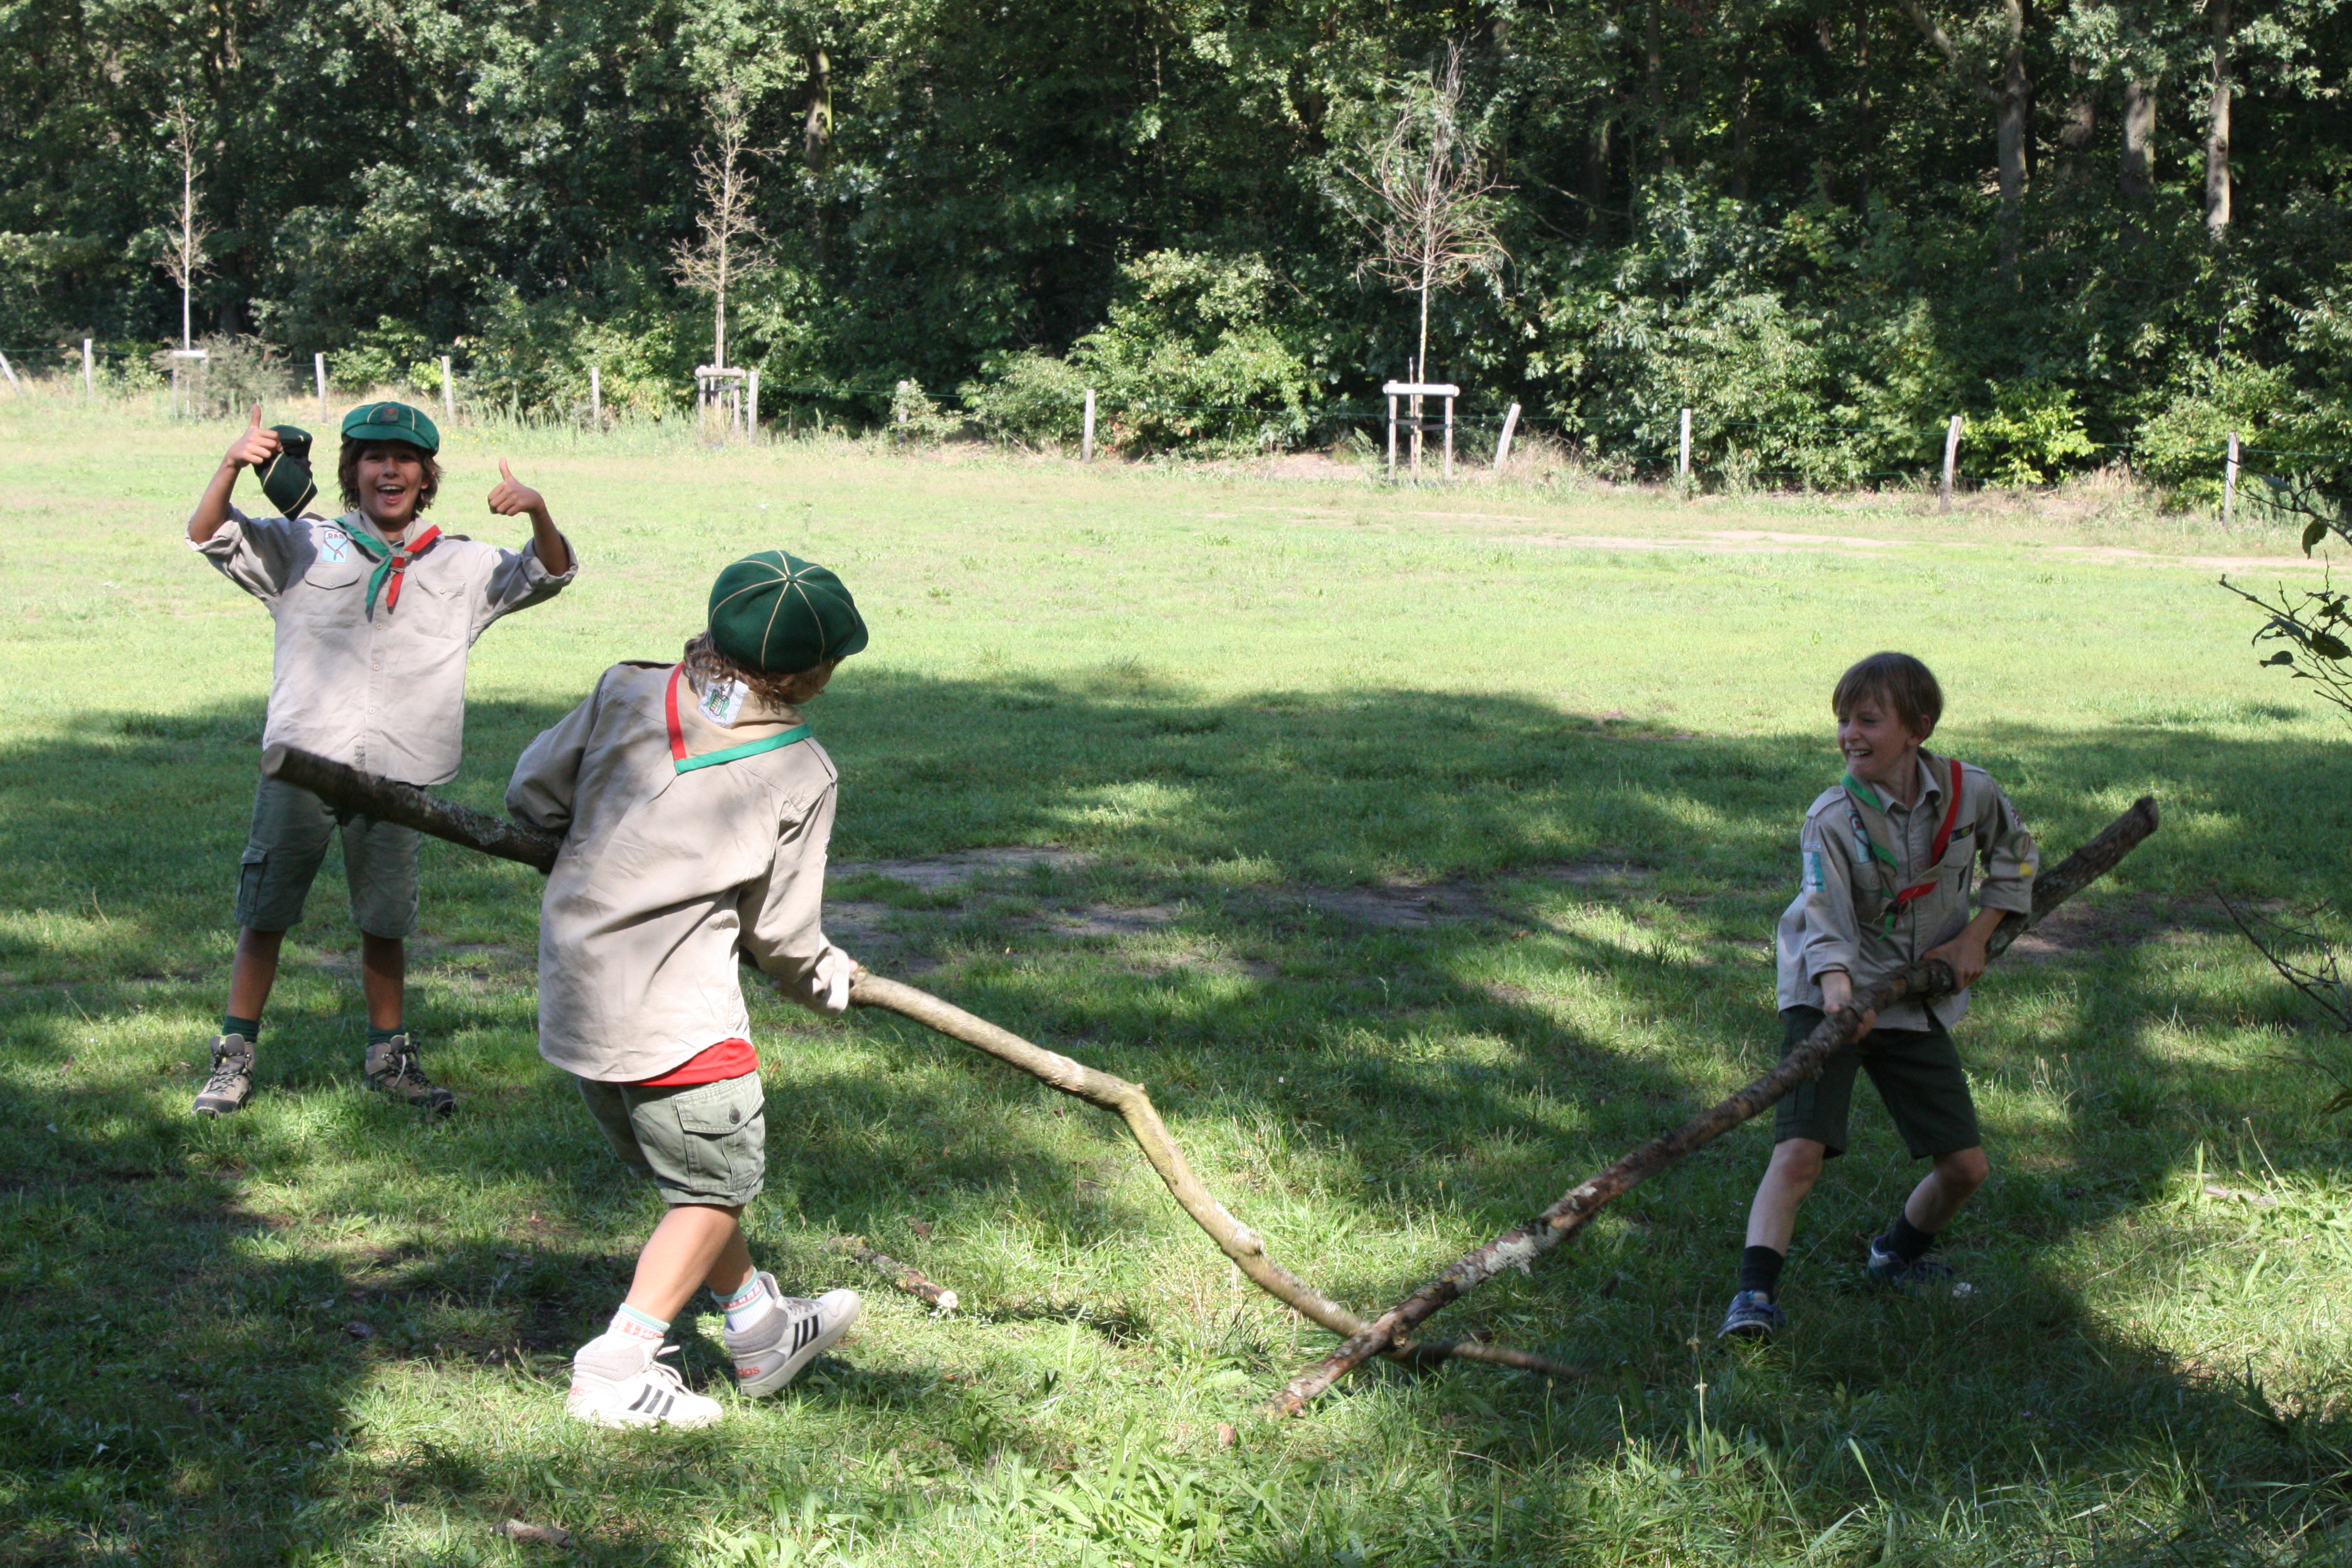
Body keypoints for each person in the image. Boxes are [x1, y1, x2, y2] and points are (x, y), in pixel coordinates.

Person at [506, 550, 869, 1429]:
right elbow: (781, 937)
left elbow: (532, 795)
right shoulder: (802, 769)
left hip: (580, 999)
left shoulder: (630, 690)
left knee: (694, 1179)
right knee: (714, 1192)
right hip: (680, 1021)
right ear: (809, 675)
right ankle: (615, 1367)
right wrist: (828, 981)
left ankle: (760, 1330)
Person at [186, 400, 578, 1118]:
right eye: (374, 457)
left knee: (385, 921)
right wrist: (231, 465)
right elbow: (210, 533)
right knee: (265, 912)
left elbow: (549, 573)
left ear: (426, 476)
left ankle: (388, 1059)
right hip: (303, 766)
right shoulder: (308, 543)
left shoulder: (460, 563)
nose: (389, 470)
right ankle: (233, 1057)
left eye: (404, 459)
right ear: (352, 471)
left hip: (399, 777)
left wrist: (538, 510)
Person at [1719, 651, 2037, 1341]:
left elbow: (2018, 855)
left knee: (1967, 1167)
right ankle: (1753, 1297)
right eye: (1843, 720)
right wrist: (1839, 994)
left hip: (1914, 996)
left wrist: (1975, 937)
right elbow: (1824, 913)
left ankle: (1896, 1256)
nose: (1849, 735)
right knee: (1799, 1153)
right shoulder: (1832, 817)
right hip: (1829, 997)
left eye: (1867, 720)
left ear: (1918, 729)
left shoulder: (1971, 792)